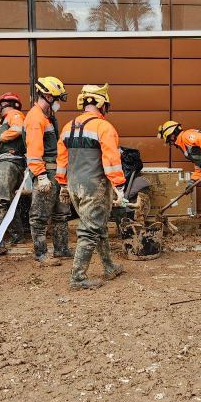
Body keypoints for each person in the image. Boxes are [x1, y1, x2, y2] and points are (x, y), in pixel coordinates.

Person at [56, 84, 125, 290]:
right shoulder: (104, 127)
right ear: (102, 104)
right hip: (94, 185)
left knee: (98, 225)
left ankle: (109, 266)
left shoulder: (68, 127)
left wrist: (62, 184)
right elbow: (111, 160)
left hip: (74, 183)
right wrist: (119, 185)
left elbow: (62, 159)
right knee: (90, 229)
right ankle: (78, 278)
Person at [156, 121, 201, 238]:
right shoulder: (183, 145)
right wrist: (192, 181)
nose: (170, 143)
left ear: (172, 135)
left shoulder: (186, 136)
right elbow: (199, 165)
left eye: (168, 140)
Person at [25, 77, 71, 264]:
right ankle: (41, 254)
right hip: (46, 173)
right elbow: (34, 151)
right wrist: (40, 175)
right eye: (57, 98)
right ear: (47, 96)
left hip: (57, 172)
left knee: (61, 213)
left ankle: (61, 250)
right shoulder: (36, 118)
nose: (58, 102)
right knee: (39, 215)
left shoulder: (47, 117)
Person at [0, 92, 26, 254]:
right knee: (8, 201)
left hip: (9, 162)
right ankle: (17, 235)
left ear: (3, 105)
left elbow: (18, 129)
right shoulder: (6, 119)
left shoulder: (14, 114)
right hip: (8, 162)